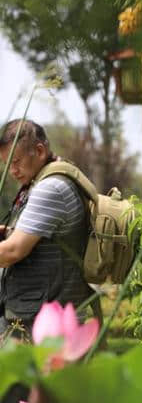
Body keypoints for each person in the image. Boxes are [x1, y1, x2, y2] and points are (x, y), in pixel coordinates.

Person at [0, 119, 92, 340]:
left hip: (42, 323)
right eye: (6, 164)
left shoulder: (50, 188)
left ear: (39, 151)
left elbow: (13, 251)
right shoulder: (50, 179)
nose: (12, 171)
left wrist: (10, 242)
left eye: (16, 161)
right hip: (39, 313)